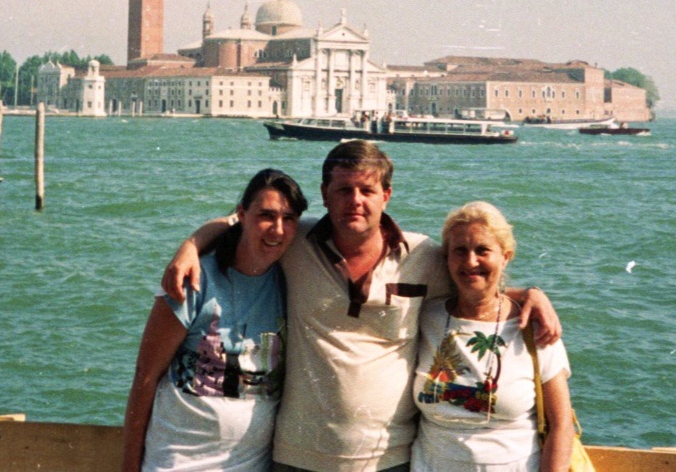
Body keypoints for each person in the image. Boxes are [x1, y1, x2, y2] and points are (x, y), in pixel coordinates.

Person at [163, 141, 561, 472]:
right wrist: (191, 245)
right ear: (324, 194)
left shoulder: (423, 256)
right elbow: (244, 223)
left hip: (390, 459)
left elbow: (475, 279)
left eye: (367, 190)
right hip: (296, 456)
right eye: (343, 189)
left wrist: (528, 295)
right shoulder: (295, 242)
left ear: (386, 195)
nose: (356, 200)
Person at [122, 168, 308, 472]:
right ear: (242, 215)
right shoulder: (195, 280)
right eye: (266, 216)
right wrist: (130, 465)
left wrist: (194, 241)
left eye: (288, 219)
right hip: (175, 462)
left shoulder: (292, 277)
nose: (277, 229)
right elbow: (145, 376)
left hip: (250, 465)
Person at [411, 202, 574, 472]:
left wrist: (531, 294)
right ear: (446, 258)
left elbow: (561, 425)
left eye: (482, 250)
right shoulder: (425, 316)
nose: (470, 261)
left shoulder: (533, 327)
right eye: (459, 251)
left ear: (505, 256)